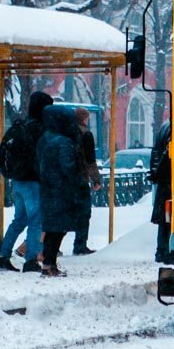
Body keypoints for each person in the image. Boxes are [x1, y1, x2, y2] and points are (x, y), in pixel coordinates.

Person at [0, 91, 53, 273]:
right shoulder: (41, 129)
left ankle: (3, 257)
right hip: (34, 182)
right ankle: (31, 260)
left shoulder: (21, 126)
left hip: (18, 181)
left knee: (19, 220)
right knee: (36, 221)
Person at [35, 105, 89, 277]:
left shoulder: (44, 138)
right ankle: (50, 264)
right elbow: (68, 168)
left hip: (48, 189)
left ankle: (48, 264)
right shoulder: (64, 142)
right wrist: (79, 183)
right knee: (58, 229)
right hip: (62, 192)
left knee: (51, 228)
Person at [71, 107, 99, 255]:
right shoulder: (86, 134)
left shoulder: (66, 133)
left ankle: (52, 247)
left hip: (65, 179)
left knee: (64, 212)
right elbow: (90, 160)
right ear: (84, 119)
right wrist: (96, 179)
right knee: (84, 213)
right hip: (80, 179)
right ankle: (80, 245)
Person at [149, 120, 171, 262]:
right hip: (172, 180)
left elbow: (155, 153)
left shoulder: (165, 126)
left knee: (165, 219)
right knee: (171, 219)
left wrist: (155, 173)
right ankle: (167, 252)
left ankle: (161, 251)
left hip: (164, 182)